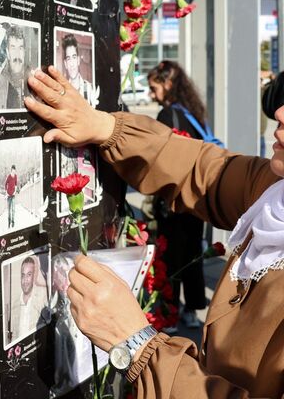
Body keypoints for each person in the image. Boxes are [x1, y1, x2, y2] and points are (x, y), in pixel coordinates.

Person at [25, 65, 284, 398]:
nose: (278, 112)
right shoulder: (274, 190)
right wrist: (105, 128)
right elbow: (202, 169)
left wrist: (138, 344)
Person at [147, 60, 207, 330]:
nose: (151, 94)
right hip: (196, 198)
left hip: (173, 200)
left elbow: (162, 161)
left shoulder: (167, 115)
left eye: (154, 87)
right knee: (193, 254)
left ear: (167, 84)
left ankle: (169, 314)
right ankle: (192, 312)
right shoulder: (193, 113)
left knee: (170, 259)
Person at [0, 25, 31, 110]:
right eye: (13, 48)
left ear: (24, 52)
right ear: (7, 52)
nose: (17, 54)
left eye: (20, 48)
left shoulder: (34, 80)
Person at [15, 256, 47, 338]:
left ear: (34, 276)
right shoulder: (15, 305)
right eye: (23, 275)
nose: (25, 280)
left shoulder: (42, 299)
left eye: (29, 275)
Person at [61, 33, 91, 102]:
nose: (71, 64)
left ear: (78, 60)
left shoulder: (89, 88)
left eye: (74, 57)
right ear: (65, 64)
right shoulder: (63, 90)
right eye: (68, 59)